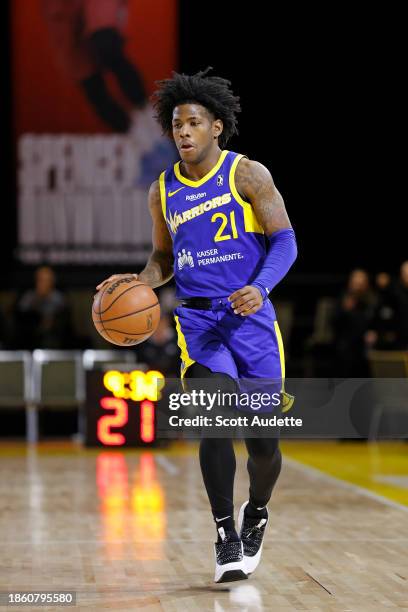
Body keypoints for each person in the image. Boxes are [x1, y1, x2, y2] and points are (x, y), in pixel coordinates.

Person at [97, 68, 297, 582]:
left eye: (193, 123)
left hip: (251, 318)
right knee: (214, 417)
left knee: (263, 445)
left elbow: (285, 241)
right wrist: (138, 284)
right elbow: (163, 260)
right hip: (199, 321)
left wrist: (261, 286)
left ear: (216, 128)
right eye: (176, 124)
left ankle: (256, 511)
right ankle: (225, 533)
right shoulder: (162, 190)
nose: (183, 132)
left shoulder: (247, 174)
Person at [13, 266, 71, 350]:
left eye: (47, 280)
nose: (44, 283)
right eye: (41, 280)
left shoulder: (59, 298)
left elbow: (65, 318)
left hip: (54, 338)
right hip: (30, 338)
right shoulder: (29, 297)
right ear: (36, 281)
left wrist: (50, 321)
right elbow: (20, 315)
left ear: (52, 282)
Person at [332, 269, 376, 376]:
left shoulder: (371, 299)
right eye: (355, 283)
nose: (357, 286)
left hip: (364, 344)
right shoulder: (343, 298)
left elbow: (372, 321)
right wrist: (345, 310)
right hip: (345, 343)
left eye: (360, 283)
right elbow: (334, 322)